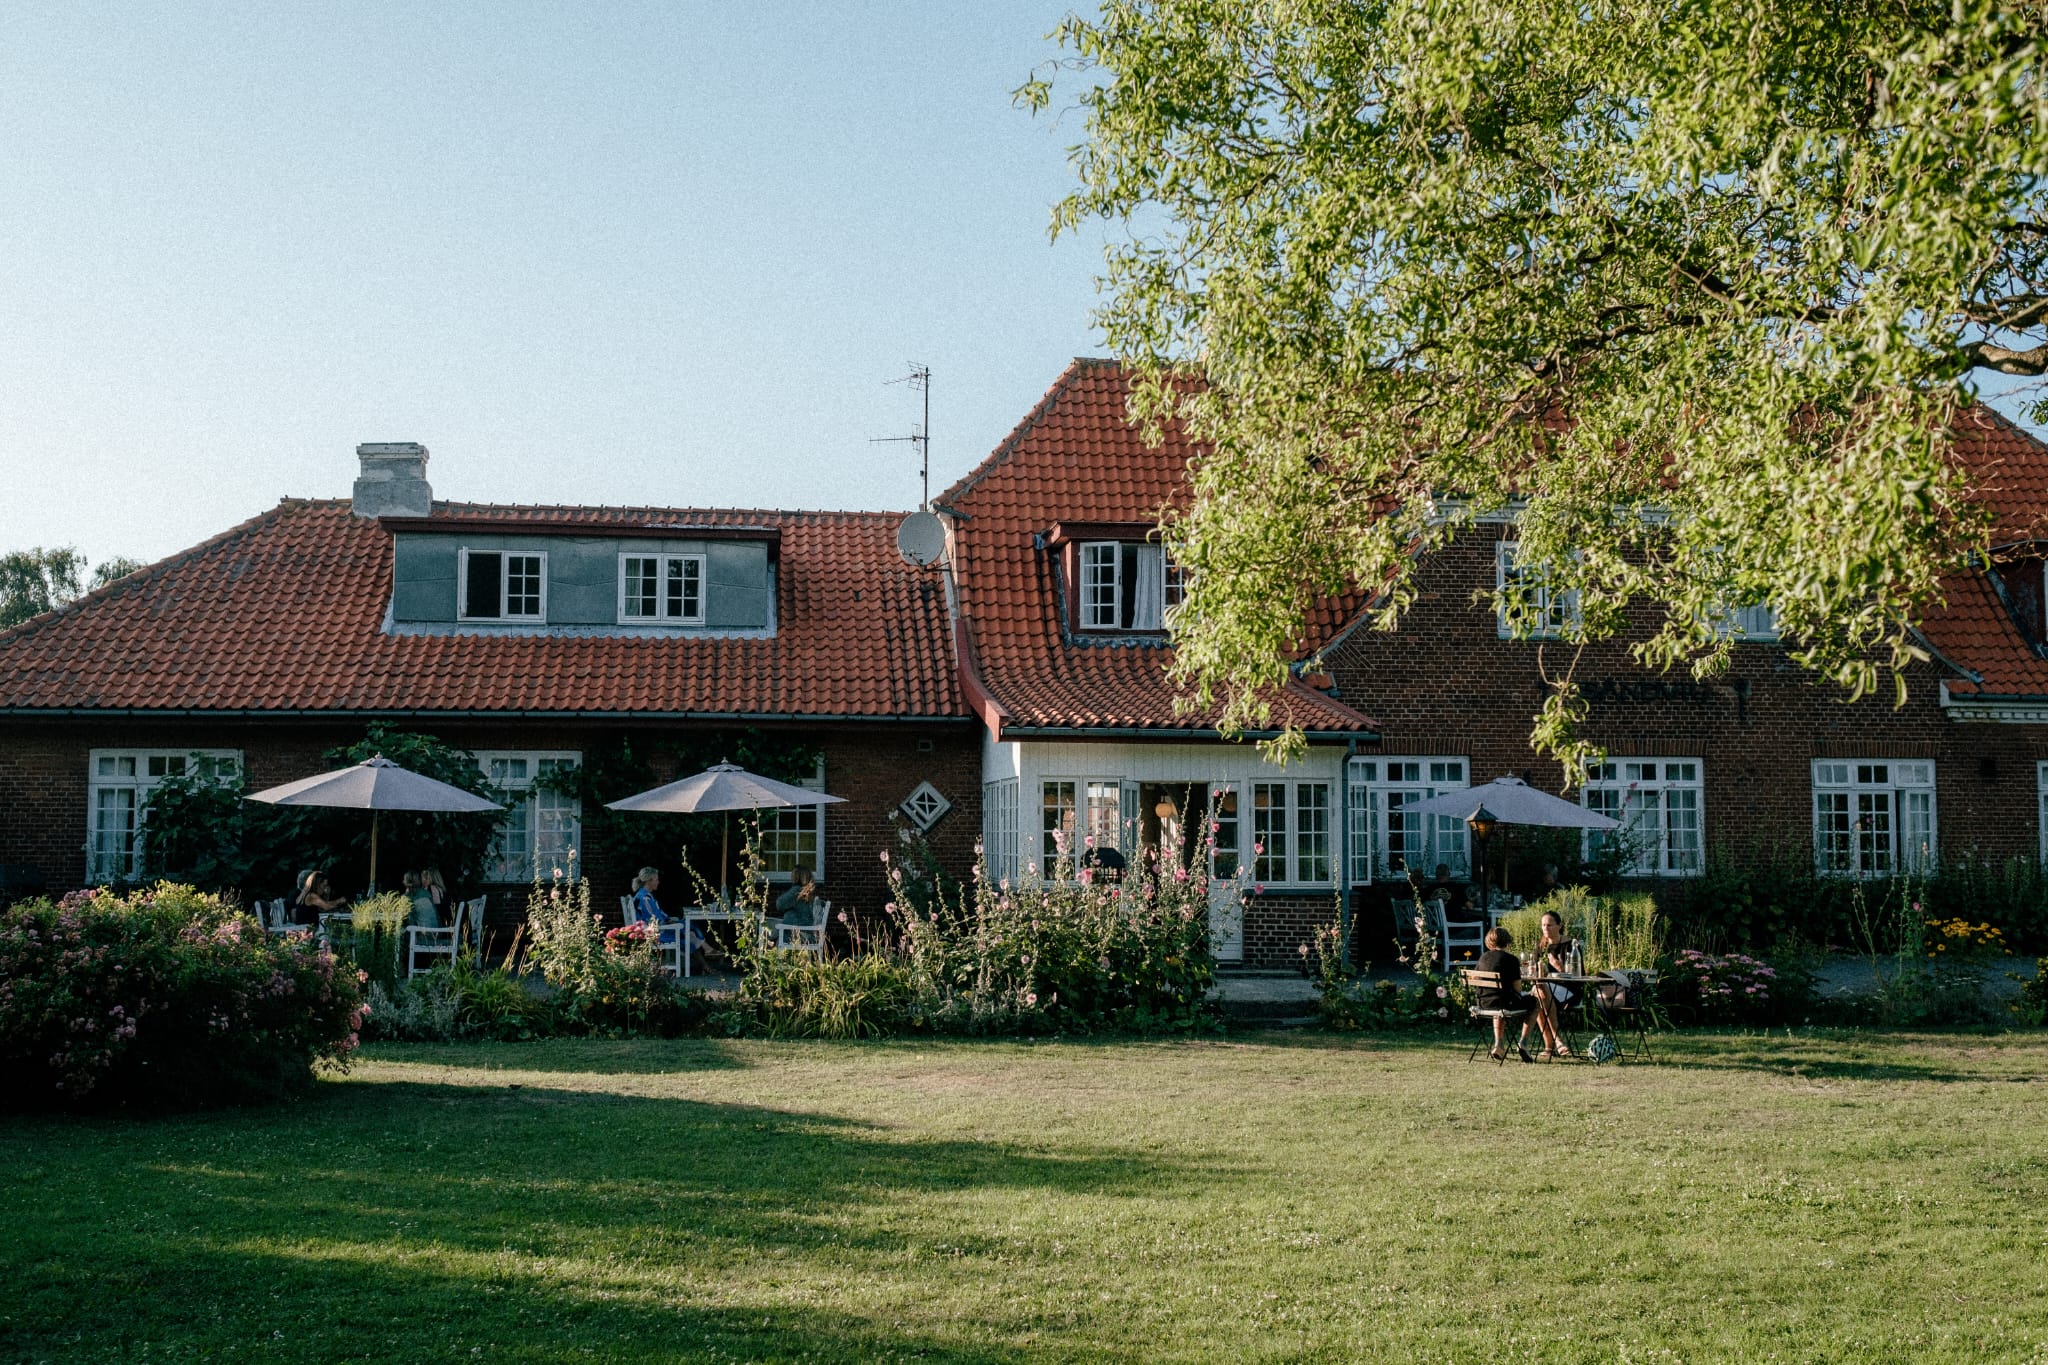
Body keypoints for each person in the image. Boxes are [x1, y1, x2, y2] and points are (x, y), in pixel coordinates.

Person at [1472, 925, 1544, 1063]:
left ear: (1489, 942)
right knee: (1535, 1002)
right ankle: (1523, 1043)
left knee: (1500, 1003)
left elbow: (1475, 978)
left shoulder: (1483, 958)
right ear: (1507, 942)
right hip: (1504, 1004)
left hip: (1483, 1003)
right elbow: (1517, 989)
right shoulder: (1511, 959)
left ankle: (1498, 1045)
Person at [631, 866, 711, 963]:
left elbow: (657, 913)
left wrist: (668, 920)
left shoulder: (645, 895)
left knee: (688, 929)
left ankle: (706, 958)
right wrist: (668, 922)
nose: (658, 882)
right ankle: (707, 953)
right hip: (654, 933)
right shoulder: (644, 898)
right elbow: (653, 919)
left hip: (655, 929)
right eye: (656, 880)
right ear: (648, 881)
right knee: (688, 929)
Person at [1530, 908, 1577, 1058]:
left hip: (1569, 990)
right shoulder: (1541, 947)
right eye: (1543, 925)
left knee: (1539, 993)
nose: (1546, 928)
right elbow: (1534, 972)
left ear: (1559, 926)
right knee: (1539, 993)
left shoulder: (1570, 946)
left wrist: (1559, 968)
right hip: (1546, 990)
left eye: (1549, 925)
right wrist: (1534, 970)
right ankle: (1554, 1043)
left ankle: (1552, 1043)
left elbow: (1578, 975)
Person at [774, 869, 824, 940]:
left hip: (797, 934)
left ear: (798, 877)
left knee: (769, 929)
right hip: (807, 932)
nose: (791, 876)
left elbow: (780, 904)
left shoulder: (797, 890)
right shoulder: (807, 891)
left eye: (793, 874)